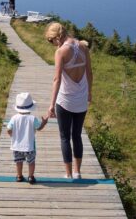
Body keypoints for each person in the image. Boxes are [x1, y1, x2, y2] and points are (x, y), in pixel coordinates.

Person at [45, 22, 93, 179]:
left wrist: (51, 105)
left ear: (56, 38)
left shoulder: (61, 51)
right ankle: (77, 172)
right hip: (81, 99)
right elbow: (89, 73)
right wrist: (89, 93)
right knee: (77, 135)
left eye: (51, 41)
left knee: (65, 137)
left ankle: (68, 174)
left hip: (65, 100)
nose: (52, 45)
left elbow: (56, 79)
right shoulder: (83, 46)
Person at [7, 92, 48, 184]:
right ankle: (30, 177)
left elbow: (9, 129)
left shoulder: (14, 118)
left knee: (18, 162)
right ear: (30, 108)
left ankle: (19, 176)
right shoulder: (33, 118)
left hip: (16, 146)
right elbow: (39, 128)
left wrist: (13, 136)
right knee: (31, 162)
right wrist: (44, 123)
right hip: (29, 146)